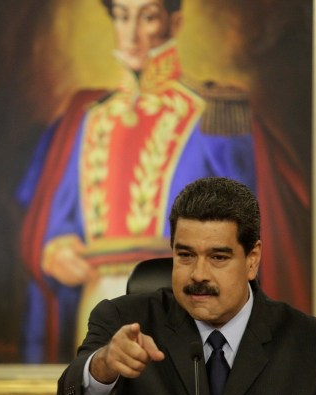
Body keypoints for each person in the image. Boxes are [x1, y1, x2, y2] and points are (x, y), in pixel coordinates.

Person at [17, 0, 255, 363]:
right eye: (122, 16)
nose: (131, 33)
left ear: (173, 23)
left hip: (183, 298)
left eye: (147, 17)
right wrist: (57, 248)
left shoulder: (211, 116)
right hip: (96, 301)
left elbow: (242, 226)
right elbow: (57, 218)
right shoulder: (86, 118)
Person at [56, 177, 316, 395]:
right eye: (185, 255)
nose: (198, 275)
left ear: (252, 260)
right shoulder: (124, 321)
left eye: (218, 257)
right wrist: (104, 365)